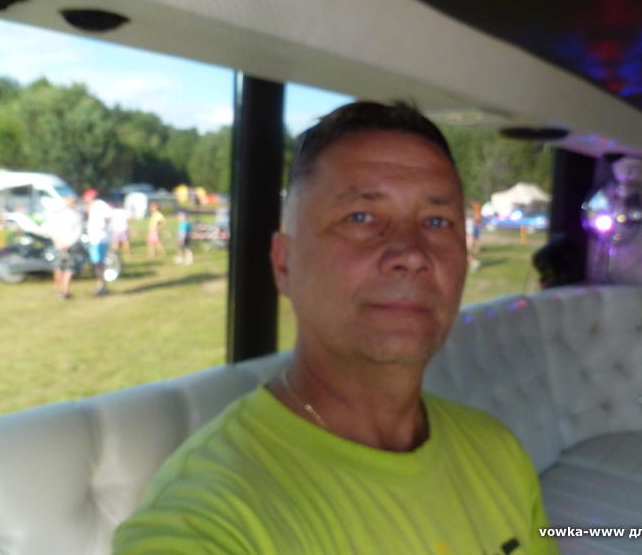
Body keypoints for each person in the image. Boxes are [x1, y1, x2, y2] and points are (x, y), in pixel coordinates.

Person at [113, 102, 559, 554]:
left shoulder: (498, 451)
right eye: (361, 217)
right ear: (284, 264)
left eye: (437, 222)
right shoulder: (211, 514)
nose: (411, 253)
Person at [43, 196, 83, 300]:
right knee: (69, 268)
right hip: (69, 245)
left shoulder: (58, 215)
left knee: (58, 268)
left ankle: (59, 290)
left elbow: (51, 230)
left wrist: (58, 242)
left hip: (59, 245)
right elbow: (77, 232)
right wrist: (68, 243)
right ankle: (65, 290)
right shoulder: (76, 216)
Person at [82, 188, 112, 296]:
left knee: (98, 262)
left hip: (100, 238)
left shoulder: (100, 204)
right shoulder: (93, 206)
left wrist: (103, 226)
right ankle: (101, 283)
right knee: (97, 263)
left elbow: (109, 216)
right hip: (95, 238)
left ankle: (101, 284)